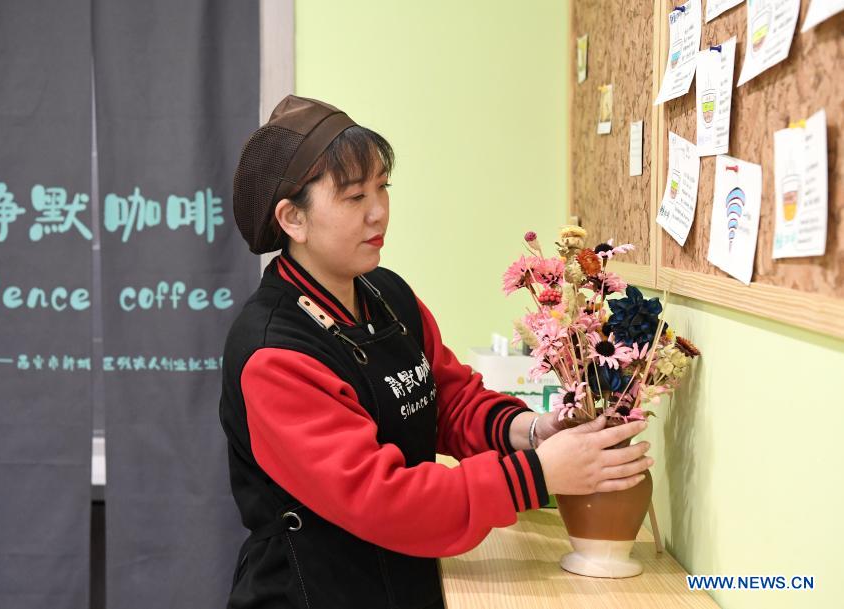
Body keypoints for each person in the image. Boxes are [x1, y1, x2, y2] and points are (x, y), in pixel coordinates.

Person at [218, 95, 652, 609]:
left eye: (383, 187)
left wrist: (531, 431)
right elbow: (384, 499)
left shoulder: (386, 295)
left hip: (405, 580)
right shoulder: (275, 353)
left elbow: (446, 399)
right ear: (293, 218)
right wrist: (535, 475)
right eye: (355, 197)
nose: (379, 211)